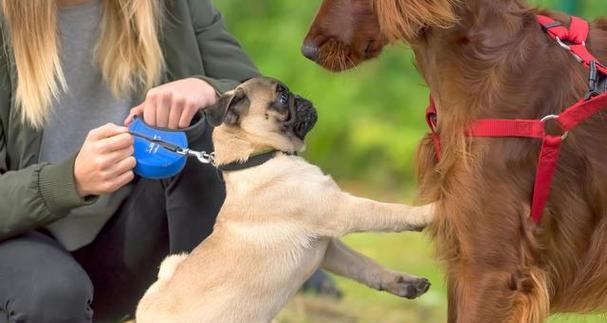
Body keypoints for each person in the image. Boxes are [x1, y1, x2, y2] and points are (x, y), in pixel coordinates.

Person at [0, 0, 258, 321]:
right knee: (54, 296)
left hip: (129, 249)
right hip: (24, 260)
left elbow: (265, 99)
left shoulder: (170, 6)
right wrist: (70, 181)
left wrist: (207, 88)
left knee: (199, 135)